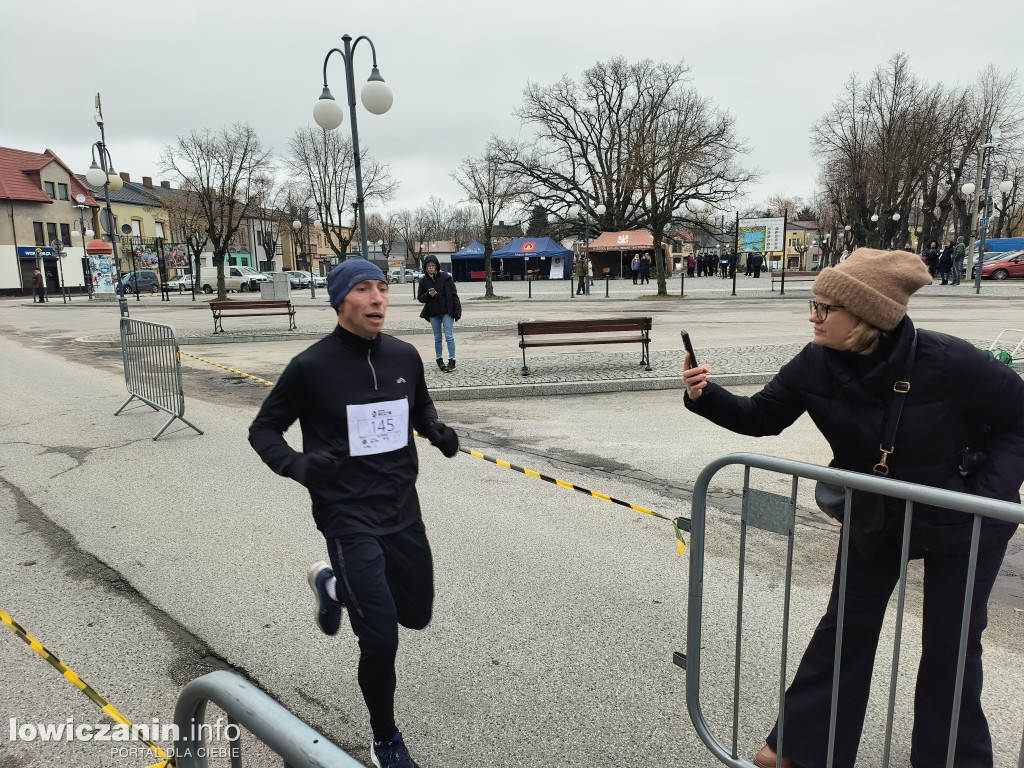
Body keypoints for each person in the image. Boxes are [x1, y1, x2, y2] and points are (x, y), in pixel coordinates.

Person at [681, 248, 1024, 768]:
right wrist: (704, 395)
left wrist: (988, 498)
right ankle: (799, 750)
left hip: (964, 518)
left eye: (824, 308)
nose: (812, 316)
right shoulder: (815, 360)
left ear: (865, 317)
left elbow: (1019, 420)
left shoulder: (951, 361)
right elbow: (763, 416)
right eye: (813, 304)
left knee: (951, 647)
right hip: (878, 510)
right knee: (846, 626)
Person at [249, 259, 460, 768]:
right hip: (346, 515)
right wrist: (297, 466)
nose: (377, 299)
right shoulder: (311, 366)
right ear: (340, 300)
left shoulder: (405, 355)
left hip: (402, 507)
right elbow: (263, 430)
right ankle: (385, 737)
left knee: (416, 614)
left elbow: (419, 405)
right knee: (381, 636)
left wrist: (435, 428)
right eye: (364, 289)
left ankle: (332, 586)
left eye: (383, 288)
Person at [417, 255, 461, 372]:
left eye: (433, 266)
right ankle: (439, 359)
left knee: (449, 336)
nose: (431, 268)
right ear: (425, 268)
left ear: (437, 266)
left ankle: (452, 360)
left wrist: (457, 311)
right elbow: (420, 298)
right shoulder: (423, 281)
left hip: (447, 311)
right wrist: (428, 295)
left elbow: (454, 295)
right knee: (437, 337)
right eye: (428, 266)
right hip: (433, 313)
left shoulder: (446, 278)